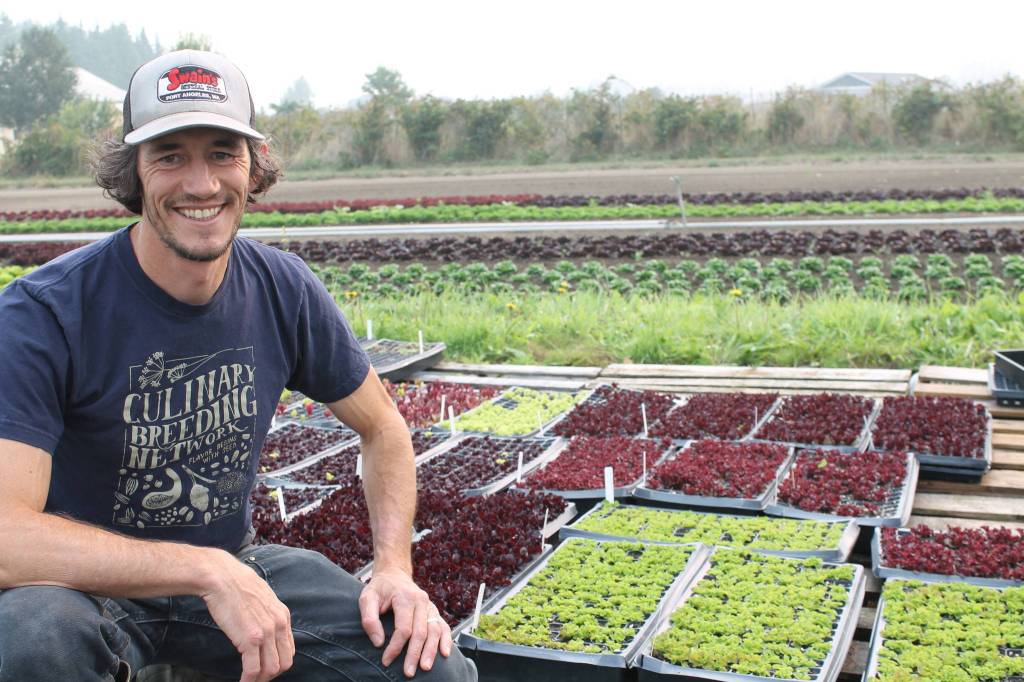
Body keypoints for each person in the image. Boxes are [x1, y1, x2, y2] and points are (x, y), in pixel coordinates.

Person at [0, 50, 476, 682]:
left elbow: (383, 428)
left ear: (253, 168)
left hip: (234, 564)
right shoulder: (44, 313)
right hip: (83, 590)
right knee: (34, 642)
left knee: (426, 663)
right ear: (133, 173)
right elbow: (8, 537)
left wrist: (393, 567)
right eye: (170, 155)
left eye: (223, 153)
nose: (201, 184)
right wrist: (204, 569)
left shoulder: (283, 288)